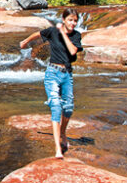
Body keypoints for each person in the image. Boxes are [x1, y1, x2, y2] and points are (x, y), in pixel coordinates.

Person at [19, 9, 83, 159]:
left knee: (68, 108)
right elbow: (39, 34)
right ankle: (57, 149)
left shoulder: (76, 36)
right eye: (70, 20)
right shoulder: (52, 31)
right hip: (52, 73)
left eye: (75, 20)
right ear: (63, 19)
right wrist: (26, 41)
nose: (73, 23)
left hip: (67, 74)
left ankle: (63, 133)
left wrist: (63, 34)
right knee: (55, 106)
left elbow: (73, 51)